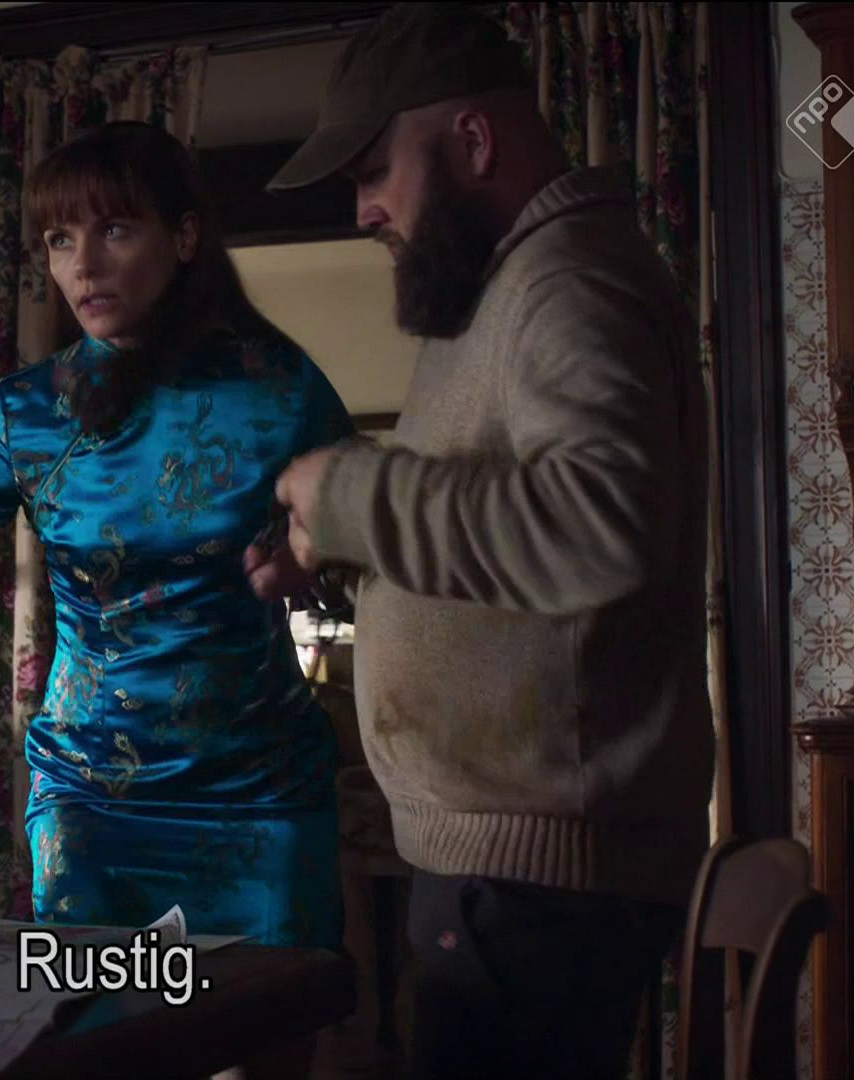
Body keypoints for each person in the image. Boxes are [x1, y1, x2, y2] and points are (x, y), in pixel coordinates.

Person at [246, 5, 716, 1078]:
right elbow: (514, 536)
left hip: (536, 885)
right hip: (512, 875)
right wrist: (346, 556)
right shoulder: (507, 288)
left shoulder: (566, 282)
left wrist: (352, 489)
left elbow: (602, 524)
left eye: (375, 170)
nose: (363, 210)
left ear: (472, 140)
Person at [0, 122, 352, 965]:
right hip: (90, 804)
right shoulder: (24, 415)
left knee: (263, 1022)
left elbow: (366, 560)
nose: (83, 266)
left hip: (261, 791)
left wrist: (313, 562)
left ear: (184, 237)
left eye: (115, 230)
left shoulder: (281, 390)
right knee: (95, 1026)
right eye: (60, 240)